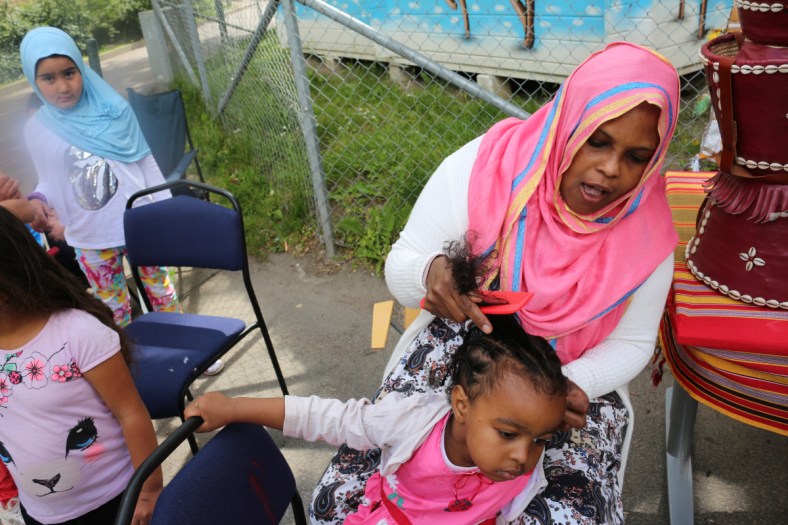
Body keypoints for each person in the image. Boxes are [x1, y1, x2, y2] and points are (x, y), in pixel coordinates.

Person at [311, 41, 680, 524]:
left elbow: (632, 344)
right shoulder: (484, 169)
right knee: (351, 496)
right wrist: (428, 273)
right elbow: (402, 264)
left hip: (569, 379)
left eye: (636, 156)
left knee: (568, 512)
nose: (611, 169)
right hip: (457, 358)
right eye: (597, 141)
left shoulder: (647, 233)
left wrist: (571, 385)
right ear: (569, 123)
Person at [185, 309, 568, 523]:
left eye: (541, 440)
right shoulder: (411, 422)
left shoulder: (520, 456)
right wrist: (235, 408)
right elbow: (326, 417)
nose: (525, 456)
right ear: (462, 405)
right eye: (508, 434)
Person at [0, 206, 162, 525]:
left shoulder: (77, 332)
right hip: (41, 513)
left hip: (115, 502)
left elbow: (130, 412)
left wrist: (148, 491)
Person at [19, 26, 180, 329]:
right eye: (49, 78)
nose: (63, 86)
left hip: (139, 223)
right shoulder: (37, 128)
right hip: (90, 237)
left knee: (161, 292)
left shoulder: (115, 109)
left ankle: (184, 341)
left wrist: (165, 211)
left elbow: (145, 162)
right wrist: (38, 198)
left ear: (81, 69)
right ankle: (129, 354)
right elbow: (48, 179)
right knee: (113, 310)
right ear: (33, 79)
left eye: (69, 73)